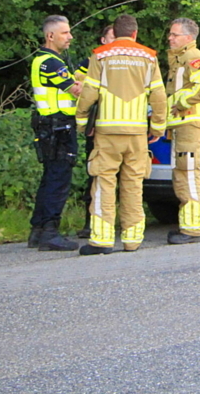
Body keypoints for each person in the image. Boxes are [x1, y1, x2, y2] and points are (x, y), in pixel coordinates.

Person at [75, 14, 166, 254]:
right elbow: (158, 96)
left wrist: (83, 123)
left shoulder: (100, 55)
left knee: (104, 183)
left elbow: (89, 93)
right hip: (137, 134)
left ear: (114, 33)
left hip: (107, 133)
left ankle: (102, 240)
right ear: (135, 33)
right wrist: (157, 127)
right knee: (133, 185)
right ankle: (132, 240)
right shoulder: (149, 57)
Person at [28, 15, 82, 252]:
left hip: (49, 126)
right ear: (50, 36)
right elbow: (75, 90)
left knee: (50, 176)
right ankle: (50, 232)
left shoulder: (43, 60)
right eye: (65, 33)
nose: (70, 37)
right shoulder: (51, 63)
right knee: (58, 179)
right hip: (58, 127)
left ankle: (38, 230)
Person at [164, 18, 200, 244]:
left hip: (189, 122)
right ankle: (187, 225)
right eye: (171, 34)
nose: (170, 38)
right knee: (182, 172)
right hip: (182, 123)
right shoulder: (180, 57)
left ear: (188, 37)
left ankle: (192, 228)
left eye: (175, 35)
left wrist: (183, 103)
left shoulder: (193, 56)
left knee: (188, 172)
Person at [74, 23, 115, 239]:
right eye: (112, 37)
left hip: (124, 127)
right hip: (98, 127)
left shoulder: (133, 62)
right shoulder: (90, 62)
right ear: (103, 40)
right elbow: (78, 87)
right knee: (95, 174)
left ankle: (120, 221)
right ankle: (91, 222)